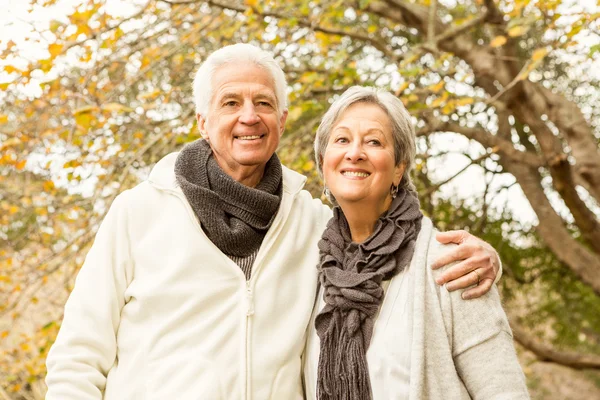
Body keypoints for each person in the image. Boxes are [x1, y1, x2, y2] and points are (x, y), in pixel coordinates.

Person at [45, 44, 502, 399]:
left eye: (263, 103)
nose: (249, 117)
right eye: (231, 103)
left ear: (281, 121)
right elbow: (78, 356)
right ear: (202, 121)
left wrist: (484, 257)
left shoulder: (315, 223)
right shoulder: (138, 212)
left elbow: (385, 241)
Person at [302, 86, 529, 399]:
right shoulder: (310, 263)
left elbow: (503, 391)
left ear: (399, 167)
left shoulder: (452, 264)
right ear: (324, 162)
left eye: (373, 141)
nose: (354, 152)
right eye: (341, 140)